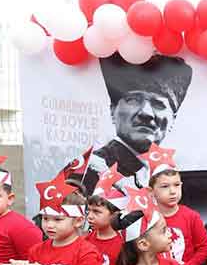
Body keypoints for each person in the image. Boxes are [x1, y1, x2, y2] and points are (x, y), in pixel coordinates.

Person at [81, 54, 194, 194]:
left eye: (158, 104)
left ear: (173, 119)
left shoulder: (166, 174)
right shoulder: (93, 169)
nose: (145, 113)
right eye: (133, 100)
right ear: (113, 110)